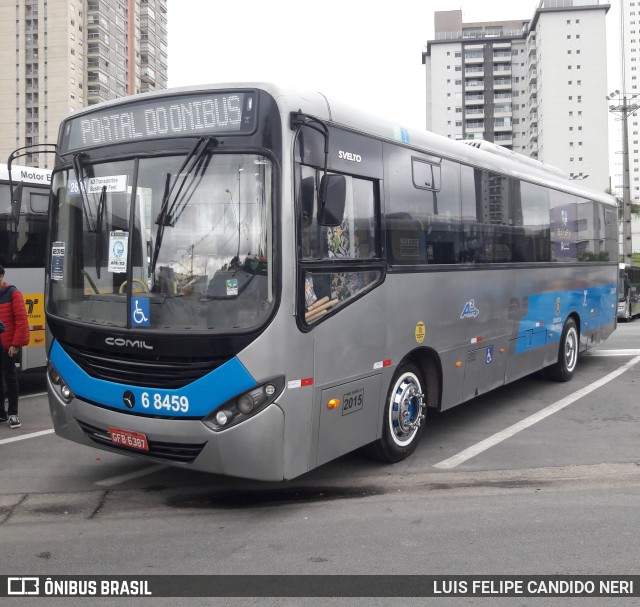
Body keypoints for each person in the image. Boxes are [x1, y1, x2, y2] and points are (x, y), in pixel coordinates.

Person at [0, 265, 30, 428]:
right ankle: (1, 413)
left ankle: (13, 414)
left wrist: (16, 344)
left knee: (10, 377)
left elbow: (21, 320)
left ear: (2, 277)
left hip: (7, 346)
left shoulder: (13, 293)